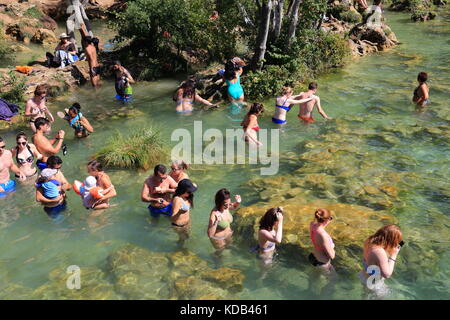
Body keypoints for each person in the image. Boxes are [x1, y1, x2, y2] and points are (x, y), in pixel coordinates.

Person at [360, 225, 403, 298]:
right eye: (397, 241)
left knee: (365, 296)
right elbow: (387, 274)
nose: (397, 243)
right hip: (374, 284)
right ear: (391, 240)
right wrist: (394, 255)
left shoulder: (369, 241)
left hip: (364, 276)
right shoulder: (379, 252)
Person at [309, 208, 336, 274]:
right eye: (330, 218)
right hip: (322, 263)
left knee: (314, 278)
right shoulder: (323, 235)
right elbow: (332, 256)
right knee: (334, 280)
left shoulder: (312, 225)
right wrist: (332, 246)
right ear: (326, 220)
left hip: (312, 257)